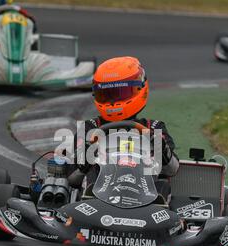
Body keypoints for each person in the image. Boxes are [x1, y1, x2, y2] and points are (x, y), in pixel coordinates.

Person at [67, 56, 180, 191]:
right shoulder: (89, 128)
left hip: (146, 198)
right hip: (98, 198)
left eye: (120, 93)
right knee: (87, 185)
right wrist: (84, 162)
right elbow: (72, 179)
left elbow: (172, 170)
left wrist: (160, 149)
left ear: (141, 88)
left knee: (164, 186)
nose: (114, 102)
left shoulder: (154, 127)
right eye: (107, 95)